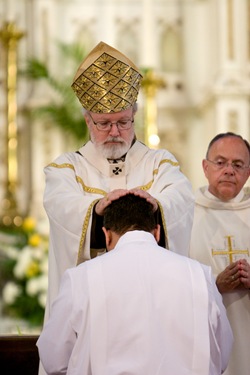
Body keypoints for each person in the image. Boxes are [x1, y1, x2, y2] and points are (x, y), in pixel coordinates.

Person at [42, 41, 194, 321]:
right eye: (104, 123)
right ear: (88, 120)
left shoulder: (160, 163)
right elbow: (61, 205)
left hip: (152, 303)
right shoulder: (65, 169)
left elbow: (182, 197)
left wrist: (156, 206)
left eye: (123, 122)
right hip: (92, 309)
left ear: (134, 115)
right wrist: (97, 209)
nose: (115, 131)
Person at [37, 193, 233, 375]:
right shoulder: (199, 274)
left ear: (106, 235)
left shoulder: (80, 278)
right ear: (157, 232)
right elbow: (221, 352)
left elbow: (54, 358)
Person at [189, 132, 250, 375]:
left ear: (248, 172)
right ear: (205, 167)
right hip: (203, 337)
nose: (228, 170)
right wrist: (213, 285)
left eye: (238, 165)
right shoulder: (185, 214)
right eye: (220, 162)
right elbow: (170, 283)